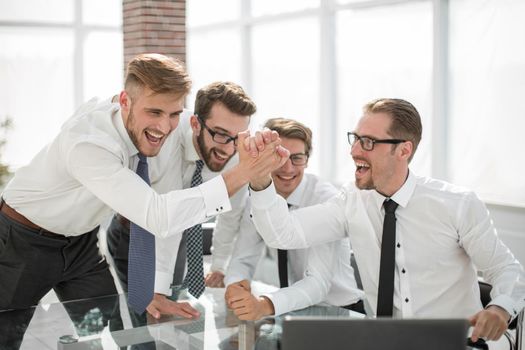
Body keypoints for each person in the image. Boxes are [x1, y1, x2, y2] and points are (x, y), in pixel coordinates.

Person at [0, 53, 287, 315]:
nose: (164, 128)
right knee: (8, 333)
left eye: (174, 114)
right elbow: (158, 215)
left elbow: (174, 210)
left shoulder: (179, 128)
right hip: (22, 238)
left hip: (82, 243)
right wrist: (245, 172)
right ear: (125, 102)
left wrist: (158, 290)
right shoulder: (88, 145)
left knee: (107, 333)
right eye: (154, 112)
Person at [247, 98, 525, 342]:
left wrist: (499, 307)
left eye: (367, 142)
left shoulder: (457, 204)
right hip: (381, 341)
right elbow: (282, 234)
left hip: (453, 344)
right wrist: (260, 178)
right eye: (354, 138)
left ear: (403, 150)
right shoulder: (351, 201)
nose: (354, 150)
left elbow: (506, 268)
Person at [106, 81, 253, 318]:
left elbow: (230, 216)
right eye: (221, 135)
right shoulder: (165, 135)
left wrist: (218, 265)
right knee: (142, 315)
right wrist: (156, 290)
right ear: (195, 124)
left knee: (175, 314)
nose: (228, 149)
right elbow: (163, 215)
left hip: (182, 236)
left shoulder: (237, 155)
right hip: (134, 234)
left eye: (237, 138)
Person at [224, 118, 365, 321]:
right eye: (278, 157)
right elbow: (242, 259)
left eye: (297, 158)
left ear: (307, 159)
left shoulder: (325, 200)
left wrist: (265, 304)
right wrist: (236, 285)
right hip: (289, 312)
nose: (287, 168)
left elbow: (318, 284)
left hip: (338, 314)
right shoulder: (257, 196)